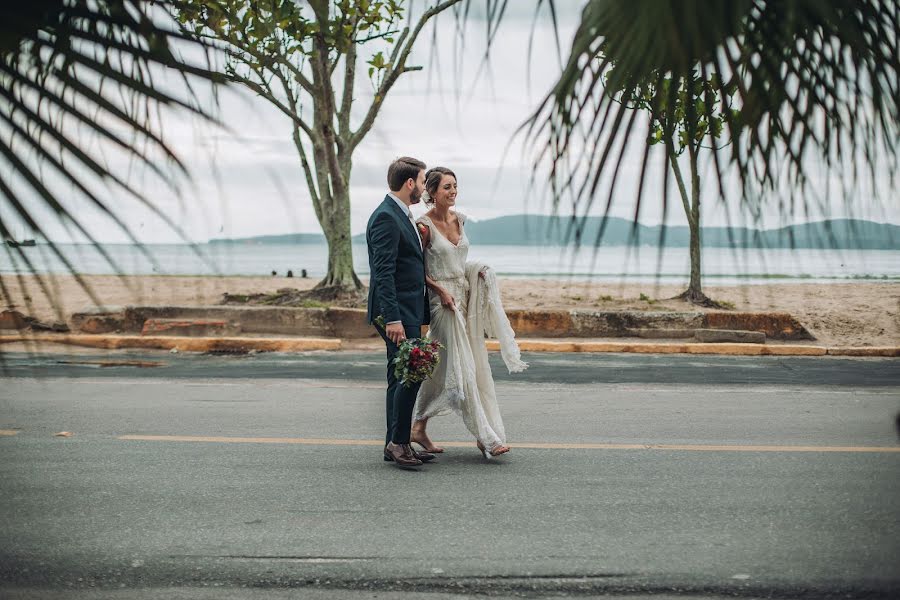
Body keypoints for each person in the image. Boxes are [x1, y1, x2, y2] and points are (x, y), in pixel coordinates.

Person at [412, 167, 527, 458]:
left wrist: (478, 272)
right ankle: (485, 437)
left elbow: (459, 263)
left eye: (455, 186)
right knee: (462, 367)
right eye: (447, 187)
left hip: (463, 298)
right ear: (433, 192)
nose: (453, 192)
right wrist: (440, 291)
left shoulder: (459, 220)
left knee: (445, 366)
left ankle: (418, 426)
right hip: (442, 304)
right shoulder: (423, 227)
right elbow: (417, 270)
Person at [366, 157, 435, 470]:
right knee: (410, 374)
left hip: (406, 309)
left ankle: (397, 442)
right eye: (422, 181)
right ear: (410, 183)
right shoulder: (386, 217)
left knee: (399, 376)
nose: (423, 186)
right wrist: (393, 318)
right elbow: (383, 273)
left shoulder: (401, 214)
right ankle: (398, 442)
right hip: (394, 313)